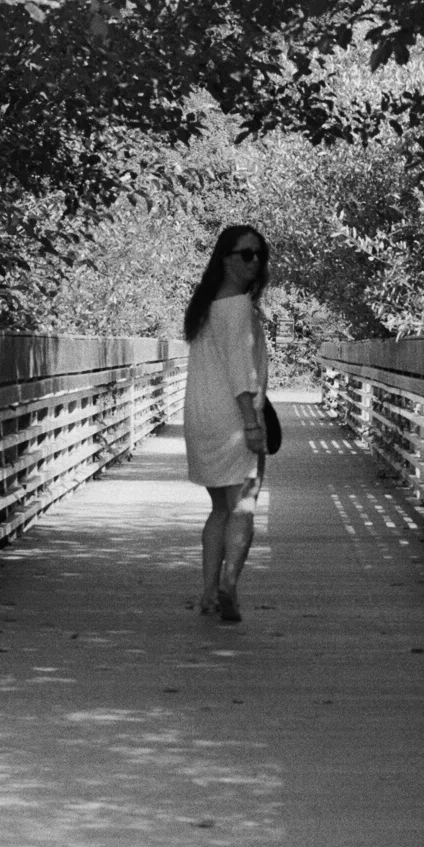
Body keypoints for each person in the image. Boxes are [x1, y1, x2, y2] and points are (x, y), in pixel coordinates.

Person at [181, 224, 271, 622]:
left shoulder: (205, 306)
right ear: (225, 259)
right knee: (245, 503)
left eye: (259, 255)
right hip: (234, 417)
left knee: (221, 508)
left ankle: (207, 594)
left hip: (201, 415)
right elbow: (240, 372)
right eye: (245, 255)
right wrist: (252, 424)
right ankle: (229, 584)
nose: (254, 262)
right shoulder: (236, 306)